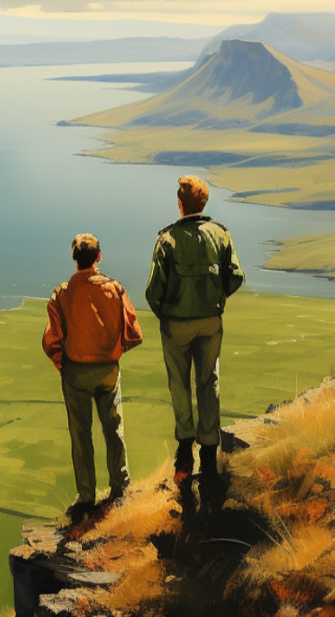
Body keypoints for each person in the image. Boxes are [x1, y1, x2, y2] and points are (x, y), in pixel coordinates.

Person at [146, 175, 244, 482]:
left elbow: (153, 291)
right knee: (208, 382)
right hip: (211, 322)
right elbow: (236, 277)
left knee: (180, 384)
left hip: (176, 325)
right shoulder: (221, 234)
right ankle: (209, 455)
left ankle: (184, 454)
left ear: (180, 203)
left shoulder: (167, 240)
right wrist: (214, 299)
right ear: (204, 202)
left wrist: (167, 314)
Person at [42, 232, 144, 518]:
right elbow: (134, 333)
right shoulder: (115, 289)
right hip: (108, 369)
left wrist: (62, 363)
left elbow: (52, 340)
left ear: (74, 259)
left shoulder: (61, 293)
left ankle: (86, 496)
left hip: (74, 371)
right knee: (114, 429)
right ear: (99, 257)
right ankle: (120, 488)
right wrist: (113, 350)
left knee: (80, 435)